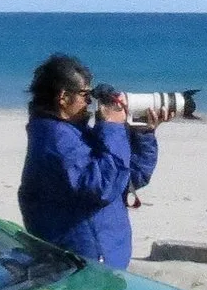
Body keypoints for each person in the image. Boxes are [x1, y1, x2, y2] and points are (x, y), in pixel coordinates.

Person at [16, 53, 163, 269]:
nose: (89, 103)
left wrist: (143, 133)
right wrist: (112, 127)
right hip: (82, 268)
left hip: (105, 261)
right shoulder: (55, 141)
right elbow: (102, 186)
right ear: (64, 97)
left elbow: (131, 178)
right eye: (85, 95)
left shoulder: (75, 134)